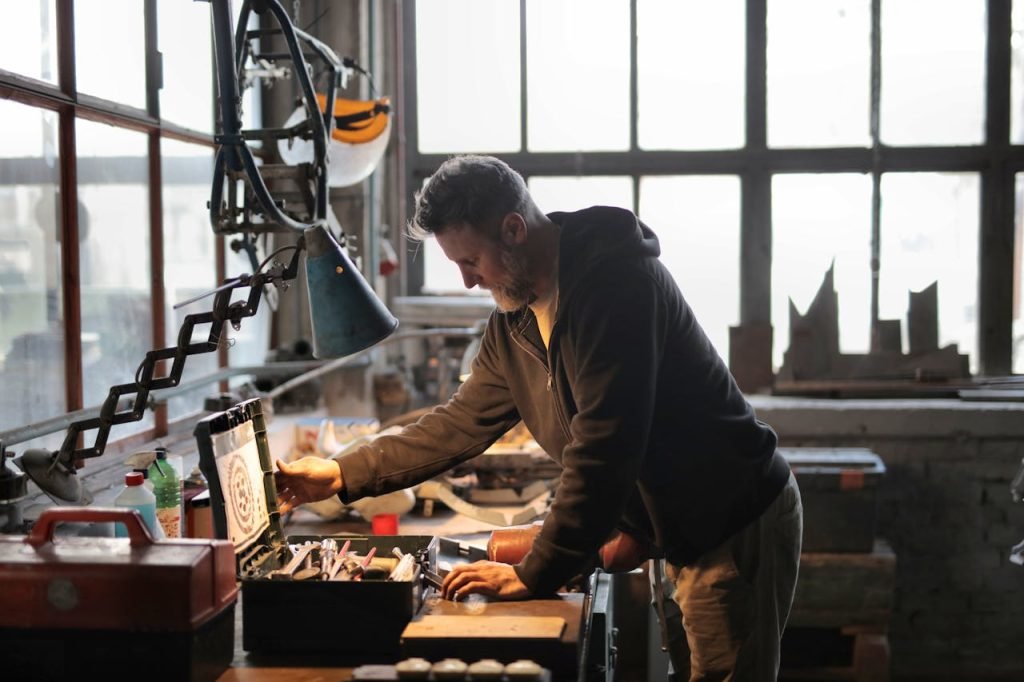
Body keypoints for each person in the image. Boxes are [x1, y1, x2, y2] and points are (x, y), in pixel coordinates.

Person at [274, 154, 803, 680]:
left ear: (514, 229)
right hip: (678, 529)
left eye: (472, 261)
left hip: (730, 524)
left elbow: (604, 449)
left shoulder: (616, 288)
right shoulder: (516, 320)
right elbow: (460, 421)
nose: (466, 282)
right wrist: (343, 473)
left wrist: (535, 573)